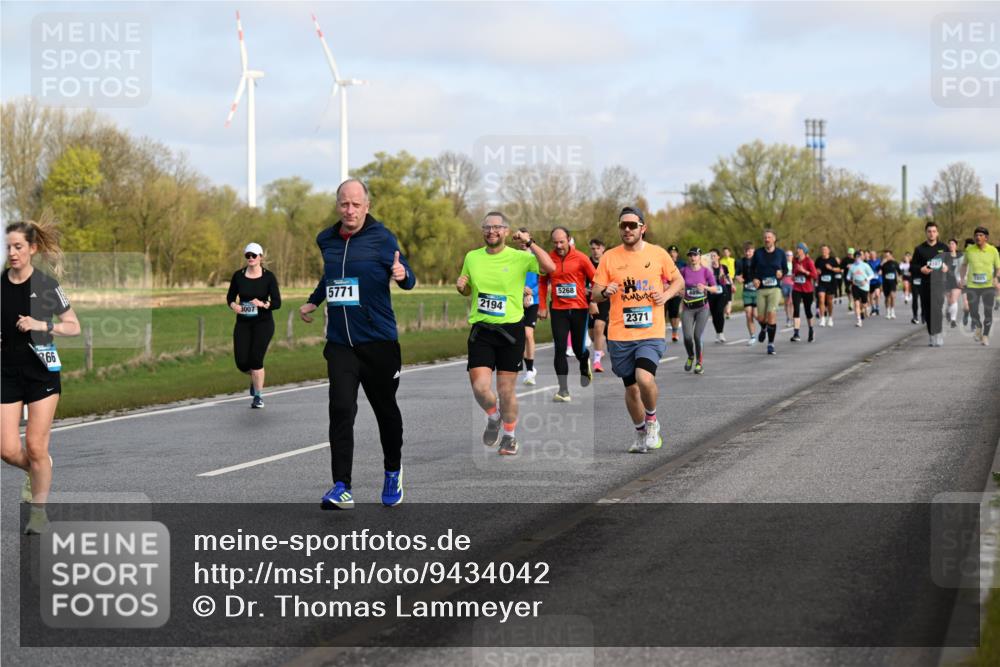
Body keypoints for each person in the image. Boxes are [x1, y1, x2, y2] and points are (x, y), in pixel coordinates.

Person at [300, 179, 416, 510]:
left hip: (378, 342)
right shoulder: (326, 239)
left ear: (367, 206)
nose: (349, 210)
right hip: (340, 344)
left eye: (356, 204)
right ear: (337, 205)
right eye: (344, 204)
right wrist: (313, 301)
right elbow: (332, 276)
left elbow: (408, 276)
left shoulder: (382, 238)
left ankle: (393, 470)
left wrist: (401, 274)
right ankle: (342, 487)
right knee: (340, 409)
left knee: (385, 411)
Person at [2, 219, 81, 534]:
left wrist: (42, 325)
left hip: (42, 372)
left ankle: (38, 514)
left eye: (18, 247)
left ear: (32, 248)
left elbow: (73, 326)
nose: (12, 252)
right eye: (8, 247)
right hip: (6, 370)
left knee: (36, 444)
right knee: (7, 449)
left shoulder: (46, 286)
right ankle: (37, 469)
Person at [456, 212, 555, 456]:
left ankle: (509, 437)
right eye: (487, 227)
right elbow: (468, 288)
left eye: (497, 227)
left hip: (510, 331)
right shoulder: (472, 257)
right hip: (482, 330)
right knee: (480, 387)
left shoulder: (521, 257)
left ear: (506, 231)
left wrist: (530, 243)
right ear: (483, 231)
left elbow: (549, 267)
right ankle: (494, 417)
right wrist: (462, 287)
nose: (492, 231)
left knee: (505, 391)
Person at [592, 207, 683, 454]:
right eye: (623, 226)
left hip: (650, 331)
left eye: (633, 225)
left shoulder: (658, 254)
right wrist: (604, 292)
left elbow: (679, 282)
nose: (628, 229)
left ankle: (652, 420)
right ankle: (641, 431)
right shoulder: (610, 257)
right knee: (631, 388)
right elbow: (595, 293)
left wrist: (664, 296)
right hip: (620, 334)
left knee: (645, 378)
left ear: (643, 228)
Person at [538, 226, 596, 401]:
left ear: (569, 239)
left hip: (579, 308)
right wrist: (542, 306)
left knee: (578, 349)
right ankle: (563, 390)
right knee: (560, 349)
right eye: (555, 242)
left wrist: (593, 300)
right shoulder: (548, 259)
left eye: (562, 242)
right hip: (558, 310)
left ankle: (584, 362)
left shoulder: (581, 258)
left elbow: (596, 280)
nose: (559, 245)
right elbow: (542, 283)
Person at [227, 242, 281, 409]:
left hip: (263, 323)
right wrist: (234, 306)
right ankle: (256, 378)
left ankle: (258, 396)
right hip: (243, 322)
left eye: (254, 255)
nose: (250, 258)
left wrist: (263, 303)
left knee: (256, 359)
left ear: (260, 257)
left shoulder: (269, 277)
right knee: (242, 362)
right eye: (247, 256)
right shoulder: (238, 276)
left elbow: (277, 303)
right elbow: (230, 297)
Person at [680, 249, 719, 374]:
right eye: (690, 255)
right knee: (687, 337)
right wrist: (679, 290)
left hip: (702, 308)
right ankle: (691, 356)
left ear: (700, 257)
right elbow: (676, 283)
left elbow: (715, 288)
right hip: (688, 308)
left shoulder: (706, 271)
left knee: (697, 336)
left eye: (695, 255)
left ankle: (699, 363)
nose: (692, 257)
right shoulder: (684, 271)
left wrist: (705, 287)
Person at [911, 220, 950, 347]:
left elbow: (952, 264)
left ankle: (938, 334)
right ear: (926, 233)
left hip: (939, 283)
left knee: (937, 309)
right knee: (927, 311)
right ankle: (931, 335)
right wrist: (921, 269)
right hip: (925, 284)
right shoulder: (919, 249)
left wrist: (946, 267)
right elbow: (913, 267)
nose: (931, 234)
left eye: (934, 231)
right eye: (929, 231)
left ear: (937, 233)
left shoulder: (943, 248)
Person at [962, 226, 1000, 346]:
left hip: (988, 285)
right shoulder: (969, 250)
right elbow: (964, 265)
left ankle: (985, 335)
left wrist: (996, 278)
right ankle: (978, 327)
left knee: (988, 311)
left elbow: (998, 267)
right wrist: (962, 278)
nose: (978, 237)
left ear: (986, 238)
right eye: (976, 235)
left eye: (980, 235)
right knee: (973, 311)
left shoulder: (993, 251)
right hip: (972, 286)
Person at [751, 229, 786, 355]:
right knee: (760, 317)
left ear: (774, 239)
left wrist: (781, 273)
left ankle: (771, 344)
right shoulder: (758, 253)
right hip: (761, 288)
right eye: (765, 237)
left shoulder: (780, 253)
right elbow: (752, 269)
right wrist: (754, 278)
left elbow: (785, 269)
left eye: (769, 237)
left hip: (775, 288)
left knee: (771, 312)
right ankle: (764, 327)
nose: (767, 239)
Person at [514, 229, 540, 386]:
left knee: (528, 333)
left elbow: (544, 282)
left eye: (525, 238)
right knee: (518, 336)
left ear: (531, 239)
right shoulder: (514, 258)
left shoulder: (537, 258)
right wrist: (519, 291)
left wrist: (532, 292)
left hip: (533, 301)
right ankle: (519, 365)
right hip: (515, 302)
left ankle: (530, 370)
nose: (523, 242)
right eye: (520, 239)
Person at [587, 238, 609, 372]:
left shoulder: (608, 262)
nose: (595, 251)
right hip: (588, 299)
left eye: (598, 248)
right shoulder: (586, 262)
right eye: (593, 249)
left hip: (605, 298)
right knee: (592, 333)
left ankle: (596, 361)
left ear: (603, 249)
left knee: (598, 326)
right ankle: (600, 345)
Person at [790, 243, 818, 341]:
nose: (797, 250)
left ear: (804, 251)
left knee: (808, 311)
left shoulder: (809, 261)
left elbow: (815, 275)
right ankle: (796, 333)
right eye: (797, 248)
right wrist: (793, 276)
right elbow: (794, 272)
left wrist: (804, 271)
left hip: (807, 290)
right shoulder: (795, 261)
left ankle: (811, 330)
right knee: (796, 309)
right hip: (796, 288)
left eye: (799, 248)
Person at [734, 242, 758, 345]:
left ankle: (765, 327)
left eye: (750, 251)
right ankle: (752, 336)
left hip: (757, 291)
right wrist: (738, 278)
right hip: (747, 291)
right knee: (748, 314)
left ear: (753, 251)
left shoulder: (758, 261)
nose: (748, 253)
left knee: (756, 315)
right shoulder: (741, 262)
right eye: (746, 251)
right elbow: (737, 275)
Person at [814, 244, 841, 327]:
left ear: (829, 251)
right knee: (821, 299)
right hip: (821, 283)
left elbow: (839, 269)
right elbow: (814, 269)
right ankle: (822, 318)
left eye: (825, 250)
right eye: (822, 250)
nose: (824, 251)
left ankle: (830, 318)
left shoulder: (832, 260)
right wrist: (817, 271)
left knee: (829, 302)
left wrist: (831, 268)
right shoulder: (818, 260)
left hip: (831, 283)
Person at [707, 249, 730, 343]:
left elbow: (728, 280)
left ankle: (721, 333)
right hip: (711, 294)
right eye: (710, 256)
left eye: (714, 256)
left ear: (718, 257)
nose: (712, 258)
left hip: (722, 293)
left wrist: (731, 286)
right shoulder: (707, 269)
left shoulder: (723, 267)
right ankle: (718, 332)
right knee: (714, 314)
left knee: (719, 311)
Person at [847, 251, 875, 327]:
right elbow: (848, 276)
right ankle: (859, 320)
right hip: (855, 286)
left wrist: (865, 280)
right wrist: (851, 279)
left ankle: (867, 308)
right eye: (856, 257)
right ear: (854, 257)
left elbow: (872, 275)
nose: (857, 258)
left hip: (864, 287)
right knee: (856, 303)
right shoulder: (852, 266)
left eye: (859, 257)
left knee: (864, 303)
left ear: (861, 257)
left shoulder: (865, 265)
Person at [665, 244, 686, 343]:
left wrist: (683, 289)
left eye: (674, 252)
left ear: (677, 253)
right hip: (664, 292)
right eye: (670, 252)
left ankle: (675, 332)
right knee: (664, 313)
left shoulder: (682, 264)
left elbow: (685, 277)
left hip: (676, 292)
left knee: (674, 312)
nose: (672, 254)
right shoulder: (663, 263)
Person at [945, 239, 963, 328]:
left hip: (957, 280)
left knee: (953, 299)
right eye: (950, 244)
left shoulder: (961, 256)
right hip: (947, 280)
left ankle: (953, 320)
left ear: (956, 245)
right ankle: (948, 312)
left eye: (953, 244)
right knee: (949, 301)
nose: (951, 245)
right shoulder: (946, 257)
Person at [879, 250, 900, 319]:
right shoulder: (883, 264)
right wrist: (882, 263)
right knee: (887, 298)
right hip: (885, 283)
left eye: (887, 256)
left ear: (891, 255)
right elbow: (878, 270)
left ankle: (892, 311)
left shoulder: (895, 263)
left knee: (892, 296)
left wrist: (899, 279)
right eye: (885, 256)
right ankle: (888, 312)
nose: (886, 257)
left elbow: (899, 271)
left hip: (893, 282)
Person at [720, 247, 736, 319]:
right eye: (724, 252)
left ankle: (728, 310)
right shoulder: (721, 261)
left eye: (727, 252)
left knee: (731, 295)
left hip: (731, 279)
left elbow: (737, 269)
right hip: (724, 280)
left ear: (730, 253)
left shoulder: (733, 260)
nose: (725, 253)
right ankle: (727, 310)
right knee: (725, 295)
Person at [781, 249, 795, 326]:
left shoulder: (794, 264)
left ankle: (793, 318)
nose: (788, 257)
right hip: (784, 283)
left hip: (792, 284)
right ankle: (788, 318)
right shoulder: (783, 264)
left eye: (790, 255)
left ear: (792, 256)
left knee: (791, 302)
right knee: (786, 302)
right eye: (787, 255)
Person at [866, 250, 882, 316]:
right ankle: (873, 308)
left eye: (873, 254)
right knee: (871, 295)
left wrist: (881, 271)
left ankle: (877, 307)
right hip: (870, 281)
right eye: (871, 254)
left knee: (877, 294)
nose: (872, 255)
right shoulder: (868, 262)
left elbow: (882, 267)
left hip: (877, 280)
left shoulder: (879, 261)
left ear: (875, 255)